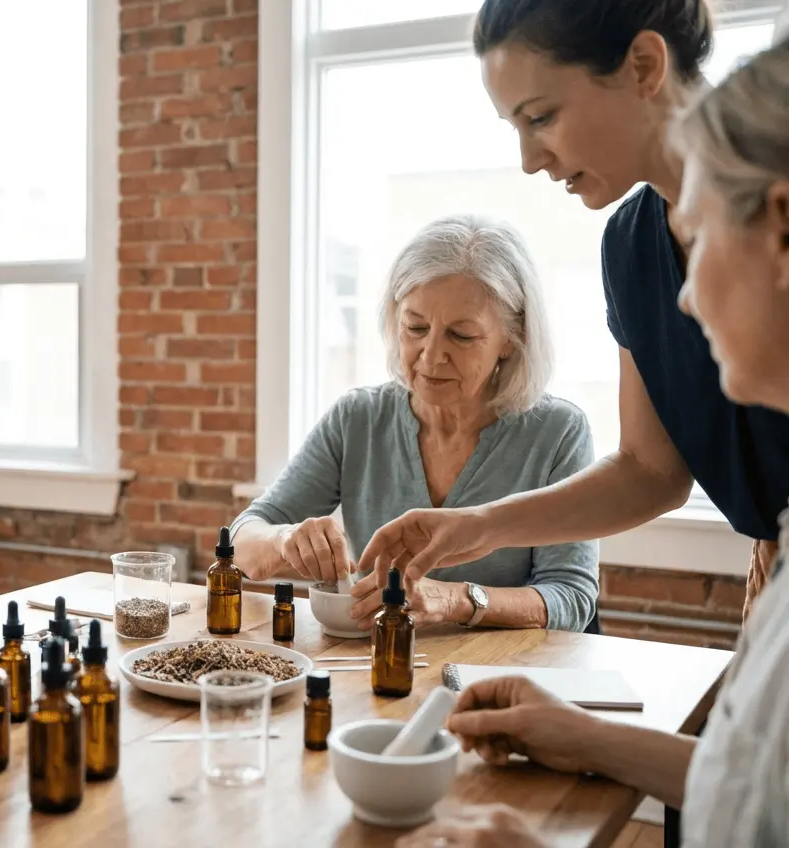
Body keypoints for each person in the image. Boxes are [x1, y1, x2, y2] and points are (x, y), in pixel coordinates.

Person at [399, 37, 789, 848]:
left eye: (704, 239)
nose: (679, 304)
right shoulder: (629, 240)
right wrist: (582, 736)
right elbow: (750, 794)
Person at [359, 0, 789, 623]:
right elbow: (650, 469)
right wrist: (477, 526)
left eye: (542, 117)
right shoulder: (631, 243)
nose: (530, 159)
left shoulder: (771, 204)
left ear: (644, 66)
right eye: (515, 126)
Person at [230, 214, 598, 631]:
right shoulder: (359, 418)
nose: (430, 355)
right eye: (415, 327)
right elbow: (241, 541)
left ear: (511, 342)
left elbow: (571, 597)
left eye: (461, 336)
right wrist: (283, 541)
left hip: (505, 674)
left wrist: (455, 599)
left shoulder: (558, 432)